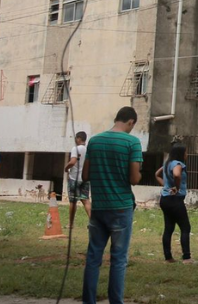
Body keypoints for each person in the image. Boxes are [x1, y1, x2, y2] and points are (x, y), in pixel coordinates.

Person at [81, 106, 143, 304]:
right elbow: (134, 179)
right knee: (118, 260)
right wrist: (139, 173)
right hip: (121, 208)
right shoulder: (132, 142)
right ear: (131, 122)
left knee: (93, 258)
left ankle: (88, 301)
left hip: (98, 207)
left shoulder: (95, 141)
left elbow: (85, 175)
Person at [155, 142, 194, 264]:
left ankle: (168, 258)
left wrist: (166, 186)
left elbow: (157, 174)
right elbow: (177, 175)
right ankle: (187, 258)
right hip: (175, 200)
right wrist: (176, 188)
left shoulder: (167, 164)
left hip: (165, 199)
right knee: (185, 227)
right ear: (181, 154)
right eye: (186, 152)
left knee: (169, 228)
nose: (187, 155)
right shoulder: (178, 164)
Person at [64, 132, 91, 226]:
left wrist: (66, 168)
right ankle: (92, 222)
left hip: (74, 178)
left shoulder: (75, 149)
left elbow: (73, 161)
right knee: (86, 200)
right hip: (85, 178)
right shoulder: (88, 150)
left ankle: (71, 224)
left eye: (76, 138)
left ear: (79, 138)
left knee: (73, 201)